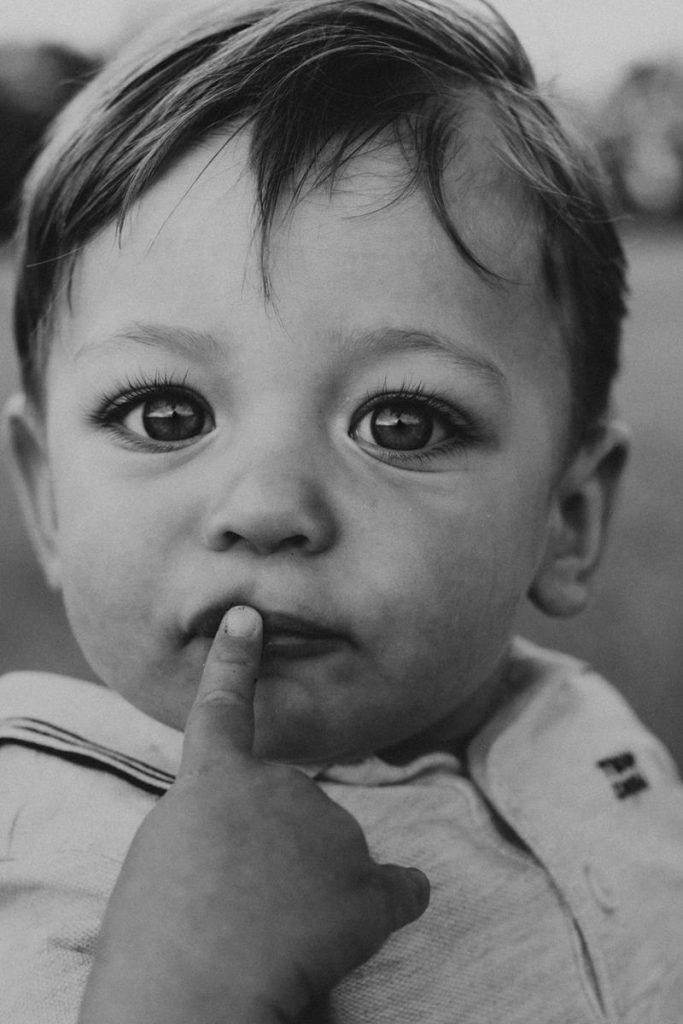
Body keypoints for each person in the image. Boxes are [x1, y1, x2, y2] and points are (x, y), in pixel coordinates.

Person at [1, 0, 682, 1020]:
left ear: (567, 517)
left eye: (401, 422)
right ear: (47, 492)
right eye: (165, 411)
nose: (268, 507)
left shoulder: (595, 739)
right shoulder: (29, 822)